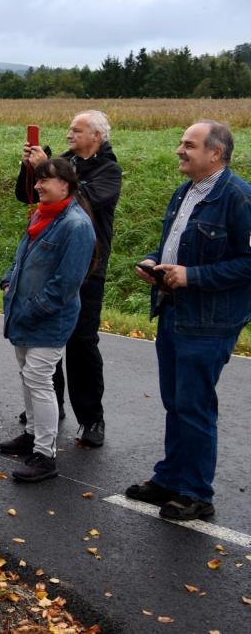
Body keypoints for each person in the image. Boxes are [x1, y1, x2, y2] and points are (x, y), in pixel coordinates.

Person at [126, 120, 251, 520]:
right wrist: (154, 262)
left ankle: (197, 493)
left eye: (189, 144)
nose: (180, 150)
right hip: (174, 311)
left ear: (215, 153)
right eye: (182, 143)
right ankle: (170, 478)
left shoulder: (238, 197)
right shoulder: (186, 191)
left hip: (209, 322)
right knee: (176, 401)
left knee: (195, 405)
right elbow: (175, 244)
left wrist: (191, 276)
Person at [13, 111, 121, 447]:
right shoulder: (64, 161)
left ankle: (91, 419)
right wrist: (31, 169)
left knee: (81, 343)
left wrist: (50, 166)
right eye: (69, 129)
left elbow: (83, 198)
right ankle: (50, 405)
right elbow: (27, 195)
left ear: (97, 136)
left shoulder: (108, 169)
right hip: (49, 265)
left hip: (87, 268)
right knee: (46, 339)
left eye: (77, 130)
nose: (69, 134)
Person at [0, 158, 96, 483]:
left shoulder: (76, 226)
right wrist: (9, 282)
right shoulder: (42, 214)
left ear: (65, 185)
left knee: (39, 379)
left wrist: (33, 308)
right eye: (37, 180)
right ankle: (31, 434)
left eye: (44, 180)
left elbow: (67, 283)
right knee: (28, 377)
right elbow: (22, 256)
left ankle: (45, 454)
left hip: (48, 319)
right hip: (22, 313)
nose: (37, 186)